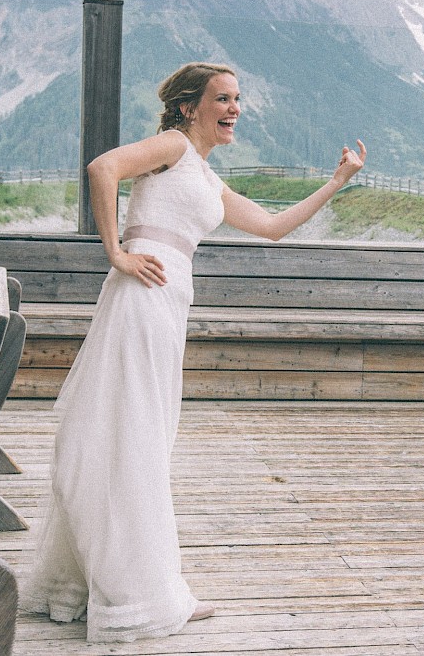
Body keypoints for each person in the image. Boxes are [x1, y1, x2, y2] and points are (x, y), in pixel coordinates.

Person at [22, 62, 366, 643]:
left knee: (146, 439)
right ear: (189, 107)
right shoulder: (173, 146)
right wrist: (116, 252)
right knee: (131, 436)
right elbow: (103, 168)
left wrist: (338, 181)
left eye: (238, 99)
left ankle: (124, 584)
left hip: (166, 310)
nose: (234, 109)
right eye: (223, 99)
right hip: (140, 301)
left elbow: (273, 226)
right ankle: (137, 595)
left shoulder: (205, 177)